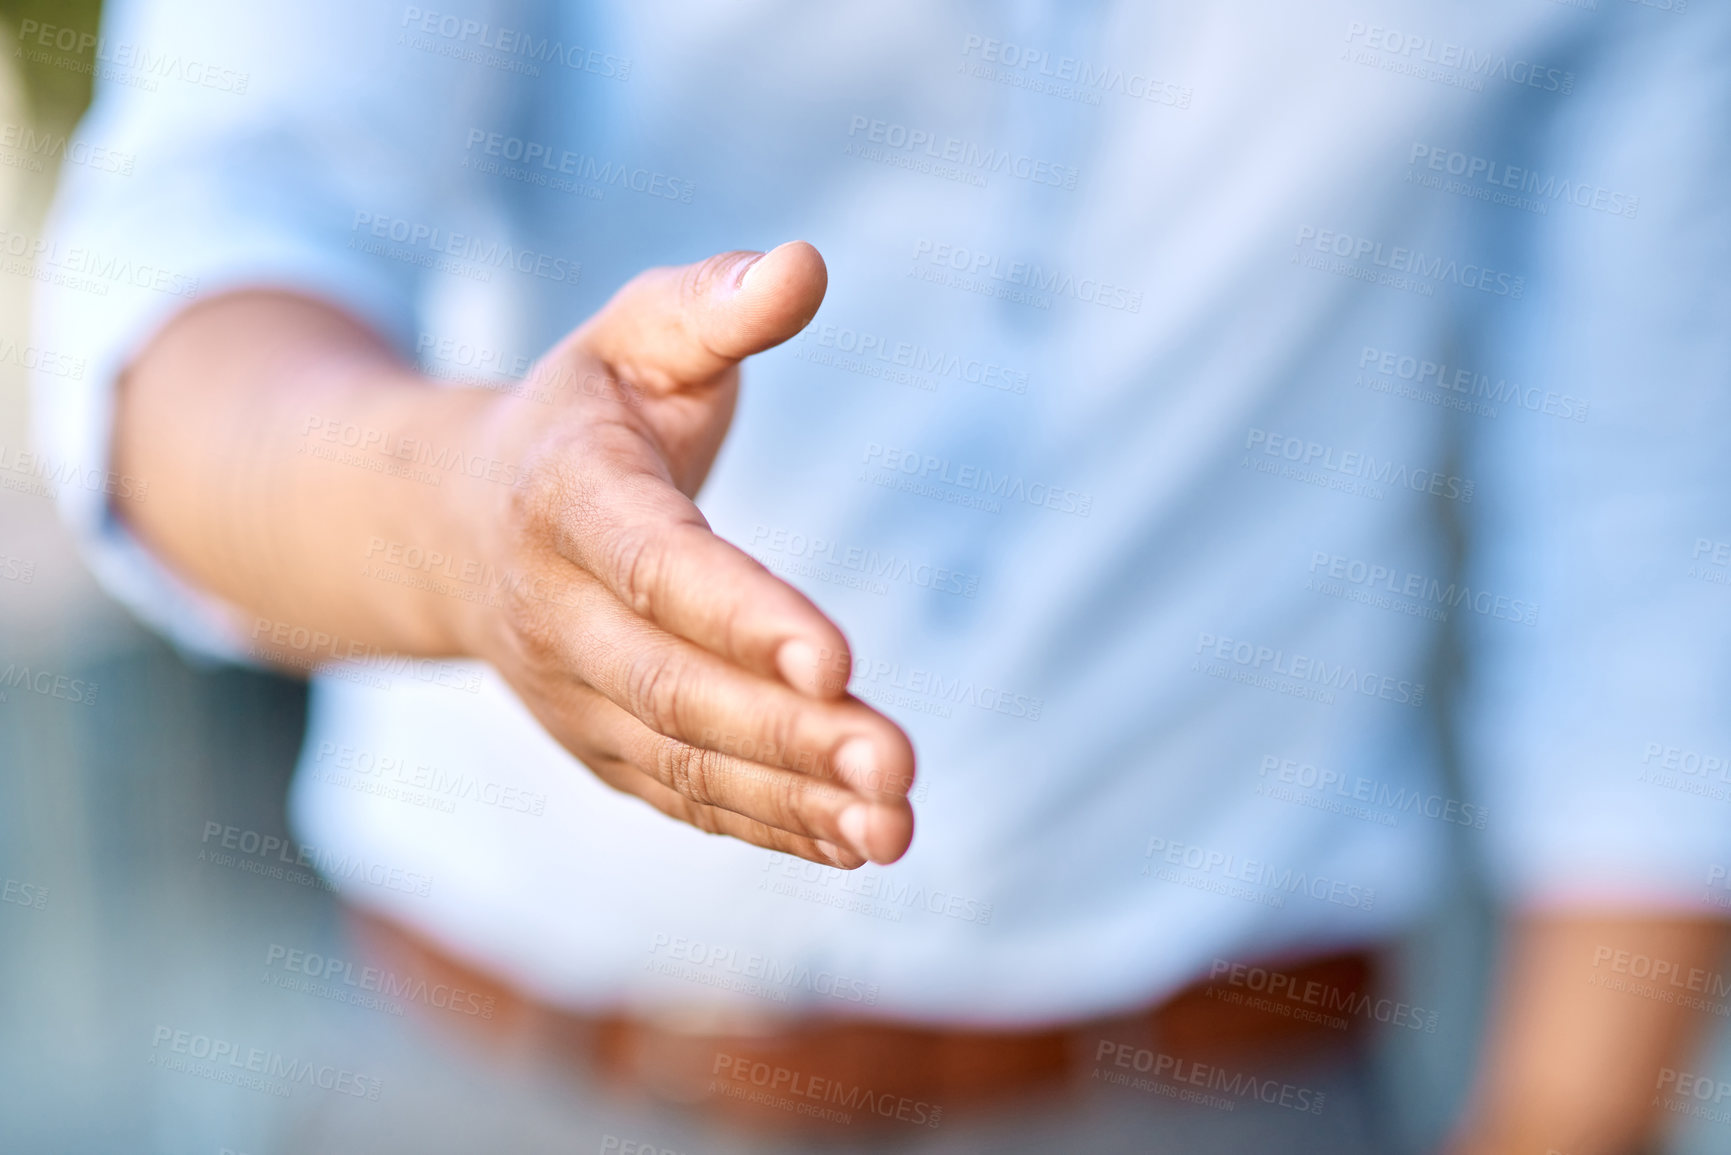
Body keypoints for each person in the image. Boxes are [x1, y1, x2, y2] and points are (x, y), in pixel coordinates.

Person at [30, 1, 1731, 1151]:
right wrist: (474, 524)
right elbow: (202, 283)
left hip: (1217, 1095)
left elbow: (1644, 548)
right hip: (498, 1090)